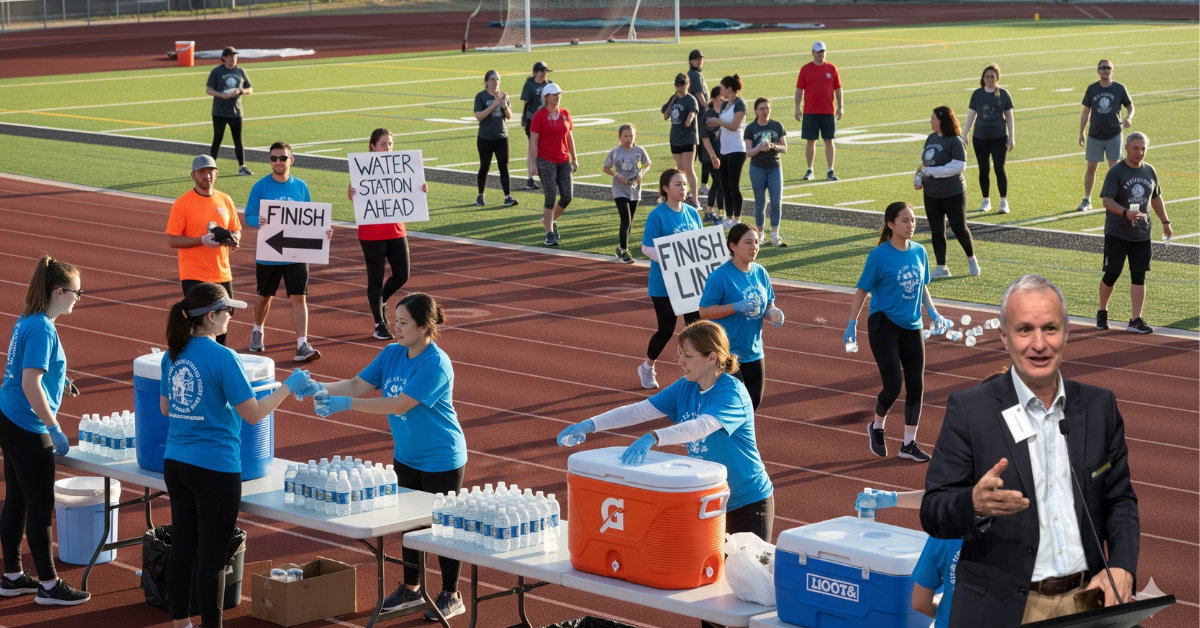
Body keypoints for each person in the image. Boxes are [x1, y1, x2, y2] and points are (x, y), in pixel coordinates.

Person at [921, 274, 1140, 626]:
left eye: (1050, 329)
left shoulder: (1100, 407)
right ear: (1005, 336)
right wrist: (972, 505)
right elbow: (933, 511)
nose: (1039, 344)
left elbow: (1120, 501)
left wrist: (1122, 566)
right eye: (1025, 330)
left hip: (1086, 602)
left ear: (1067, 333)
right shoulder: (969, 410)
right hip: (1004, 609)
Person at [160, 282, 316, 628]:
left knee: (184, 547)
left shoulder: (173, 353)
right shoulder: (224, 357)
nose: (231, 317)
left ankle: (180, 624)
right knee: (212, 558)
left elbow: (166, 407)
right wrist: (287, 386)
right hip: (214, 468)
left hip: (176, 463)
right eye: (228, 311)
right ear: (211, 316)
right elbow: (255, 414)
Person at [311, 293, 468, 621]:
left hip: (441, 457)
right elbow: (356, 384)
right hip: (407, 455)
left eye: (402, 323)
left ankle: (452, 594)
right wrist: (318, 387)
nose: (394, 327)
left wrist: (347, 405)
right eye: (394, 320)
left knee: (441, 526)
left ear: (425, 327)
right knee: (409, 526)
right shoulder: (391, 353)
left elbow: (399, 404)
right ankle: (412, 589)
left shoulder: (435, 363)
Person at [557, 320, 774, 544]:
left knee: (748, 576)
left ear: (712, 357)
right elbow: (638, 411)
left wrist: (654, 437)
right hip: (710, 500)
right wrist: (591, 424)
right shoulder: (686, 386)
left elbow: (701, 426)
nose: (680, 361)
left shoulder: (732, 393)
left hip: (747, 503)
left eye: (688, 356)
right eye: (680, 354)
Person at [0, 256, 89, 606]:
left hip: (8, 417)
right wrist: (53, 427)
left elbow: (31, 368)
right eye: (77, 293)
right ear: (58, 291)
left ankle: (12, 577)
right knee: (39, 504)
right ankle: (50, 586)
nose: (78, 298)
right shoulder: (43, 327)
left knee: (18, 500)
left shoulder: (30, 318)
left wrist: (60, 379)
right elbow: (29, 382)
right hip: (27, 424)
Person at [845, 202, 948, 463]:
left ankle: (908, 444)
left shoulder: (920, 251)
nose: (911, 225)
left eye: (913, 220)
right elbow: (861, 291)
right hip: (884, 324)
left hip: (912, 326)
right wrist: (851, 324)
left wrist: (933, 313)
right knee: (893, 385)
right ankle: (877, 426)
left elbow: (923, 286)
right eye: (905, 220)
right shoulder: (879, 256)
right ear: (891, 224)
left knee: (916, 387)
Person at [245, 141, 329, 362]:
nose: (278, 162)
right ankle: (257, 330)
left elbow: (310, 218)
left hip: (296, 253)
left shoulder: (301, 186)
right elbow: (249, 216)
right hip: (269, 253)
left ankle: (302, 344)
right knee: (265, 296)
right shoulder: (260, 187)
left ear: (291, 160)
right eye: (274, 158)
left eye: (282, 158)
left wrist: (322, 233)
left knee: (298, 297)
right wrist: (258, 220)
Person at [346, 128, 428, 341]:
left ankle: (381, 300)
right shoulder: (363, 167)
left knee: (403, 274)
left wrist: (420, 189)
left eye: (390, 144)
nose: (388, 148)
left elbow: (409, 189)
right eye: (383, 144)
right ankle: (379, 323)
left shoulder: (401, 165)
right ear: (373, 146)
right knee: (375, 278)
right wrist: (352, 193)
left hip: (396, 229)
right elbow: (357, 195)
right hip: (372, 232)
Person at [699, 223, 785, 410]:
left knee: (753, 404)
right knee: (735, 406)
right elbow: (704, 311)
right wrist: (735, 307)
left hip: (754, 351)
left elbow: (768, 302)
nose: (754, 247)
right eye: (748, 242)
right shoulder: (720, 277)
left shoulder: (760, 272)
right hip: (727, 353)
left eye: (756, 242)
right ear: (733, 246)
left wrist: (772, 313)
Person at [1097, 132, 1171, 334]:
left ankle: (1135, 319)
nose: (1139, 152)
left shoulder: (1150, 171)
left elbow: (1156, 198)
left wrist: (1165, 221)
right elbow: (1106, 200)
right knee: (1112, 273)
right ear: (1126, 148)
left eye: (1143, 148)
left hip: (1142, 233)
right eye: (1136, 148)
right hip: (1117, 232)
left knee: (1139, 276)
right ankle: (1102, 311)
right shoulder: (1116, 172)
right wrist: (1125, 212)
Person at [166, 154, 241, 347]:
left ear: (216, 173)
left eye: (210, 171)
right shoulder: (182, 204)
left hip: (222, 273)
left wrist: (234, 240)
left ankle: (220, 364)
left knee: (223, 322)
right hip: (195, 274)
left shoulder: (225, 200)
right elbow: (172, 240)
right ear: (193, 175)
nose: (206, 175)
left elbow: (236, 228)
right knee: (200, 326)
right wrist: (201, 240)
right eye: (201, 172)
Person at [638, 168, 703, 389]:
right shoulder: (657, 215)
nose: (683, 188)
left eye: (684, 184)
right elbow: (646, 248)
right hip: (664, 284)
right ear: (665, 188)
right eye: (677, 184)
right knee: (666, 329)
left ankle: (697, 372)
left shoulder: (692, 213)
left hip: (690, 282)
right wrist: (672, 260)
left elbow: (700, 246)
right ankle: (647, 367)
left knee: (695, 328)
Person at [916, 106, 979, 279]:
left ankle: (971, 258)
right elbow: (926, 163)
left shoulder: (954, 140)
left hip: (953, 193)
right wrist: (920, 177)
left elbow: (959, 166)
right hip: (932, 194)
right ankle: (942, 267)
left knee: (959, 228)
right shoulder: (931, 138)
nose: (930, 120)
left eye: (933, 118)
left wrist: (932, 172)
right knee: (937, 230)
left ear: (942, 120)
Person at [1078, 60, 1134, 212]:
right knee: (1091, 167)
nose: (1105, 70)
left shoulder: (1119, 88)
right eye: (1102, 68)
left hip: (1114, 133)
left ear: (1112, 71)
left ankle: (1117, 199)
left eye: (1108, 68)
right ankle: (1087, 199)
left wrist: (1129, 117)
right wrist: (1082, 132)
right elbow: (1086, 112)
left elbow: (1130, 106)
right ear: (1098, 71)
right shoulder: (1092, 89)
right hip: (1095, 134)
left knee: (1114, 168)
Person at [529, 83, 577, 247]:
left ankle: (550, 221)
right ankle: (549, 233)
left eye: (559, 94)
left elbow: (569, 136)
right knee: (550, 196)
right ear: (546, 97)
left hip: (563, 160)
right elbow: (533, 141)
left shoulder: (565, 113)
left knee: (567, 196)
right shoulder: (539, 116)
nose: (558, 96)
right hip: (545, 160)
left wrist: (574, 158)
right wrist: (533, 163)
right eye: (554, 94)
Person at [963, 63, 1015, 214]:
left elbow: (1009, 116)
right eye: (987, 76)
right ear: (983, 78)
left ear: (997, 78)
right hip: (980, 137)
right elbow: (971, 115)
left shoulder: (1003, 94)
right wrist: (965, 133)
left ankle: (1003, 201)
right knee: (984, 169)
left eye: (992, 76)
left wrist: (1011, 136)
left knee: (999, 167)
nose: (990, 79)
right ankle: (986, 200)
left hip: (999, 136)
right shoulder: (977, 94)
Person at [793, 41, 843, 182]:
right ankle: (810, 170)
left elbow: (838, 89)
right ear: (813, 53)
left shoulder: (832, 68)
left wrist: (841, 106)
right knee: (810, 141)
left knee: (829, 140)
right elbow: (799, 90)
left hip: (828, 111)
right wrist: (797, 108)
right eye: (818, 51)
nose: (821, 54)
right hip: (810, 111)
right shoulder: (805, 69)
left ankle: (830, 170)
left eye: (823, 51)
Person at [602, 124, 651, 264]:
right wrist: (616, 175)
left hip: (634, 189)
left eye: (631, 136)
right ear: (619, 137)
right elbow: (606, 167)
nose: (628, 139)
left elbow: (644, 164)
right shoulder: (616, 152)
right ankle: (624, 251)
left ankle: (619, 247)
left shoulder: (639, 151)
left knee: (630, 222)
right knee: (626, 219)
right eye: (625, 136)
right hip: (619, 189)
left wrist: (641, 172)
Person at [743, 97, 788, 246]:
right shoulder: (751, 128)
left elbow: (784, 148)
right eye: (761, 108)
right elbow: (748, 152)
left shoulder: (777, 125)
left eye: (767, 108)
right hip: (757, 168)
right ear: (755, 110)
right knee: (760, 203)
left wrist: (773, 146)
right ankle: (760, 234)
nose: (765, 111)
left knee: (776, 202)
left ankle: (775, 234)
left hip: (774, 167)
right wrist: (759, 148)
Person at [706, 74, 748, 229]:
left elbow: (735, 126)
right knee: (725, 186)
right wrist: (716, 128)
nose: (721, 91)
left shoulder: (740, 104)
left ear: (730, 89)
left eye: (722, 88)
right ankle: (728, 217)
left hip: (736, 149)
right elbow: (725, 125)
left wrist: (717, 121)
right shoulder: (725, 105)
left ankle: (737, 218)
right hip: (724, 149)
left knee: (734, 185)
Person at [205, 47, 253, 176]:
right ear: (224, 57)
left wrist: (240, 91)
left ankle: (242, 167)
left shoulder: (241, 71)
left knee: (238, 140)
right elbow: (209, 89)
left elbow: (250, 89)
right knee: (217, 139)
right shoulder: (217, 71)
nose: (234, 58)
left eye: (235, 56)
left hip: (236, 112)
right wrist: (221, 95)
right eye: (231, 56)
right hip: (219, 112)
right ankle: (211, 166)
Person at [474, 70, 518, 208]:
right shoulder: (481, 96)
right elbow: (479, 116)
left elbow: (509, 116)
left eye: (497, 79)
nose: (495, 81)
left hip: (501, 137)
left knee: (504, 167)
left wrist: (503, 104)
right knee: (485, 166)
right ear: (486, 82)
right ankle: (480, 195)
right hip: (485, 137)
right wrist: (493, 105)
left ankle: (507, 197)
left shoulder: (504, 95)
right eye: (492, 79)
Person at [662, 73, 700, 205]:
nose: (680, 88)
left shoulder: (691, 99)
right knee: (680, 170)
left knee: (689, 169)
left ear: (688, 85)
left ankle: (695, 199)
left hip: (688, 139)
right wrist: (671, 103)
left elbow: (692, 113)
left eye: (683, 85)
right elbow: (666, 116)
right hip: (675, 139)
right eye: (678, 85)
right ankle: (684, 194)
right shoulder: (674, 98)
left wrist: (689, 120)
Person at [520, 61, 554, 191]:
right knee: (532, 148)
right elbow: (526, 104)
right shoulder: (529, 84)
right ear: (535, 73)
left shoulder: (550, 84)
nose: (545, 74)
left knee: (547, 147)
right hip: (533, 120)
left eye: (546, 71)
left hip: (548, 120)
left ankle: (548, 175)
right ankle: (530, 178)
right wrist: (524, 120)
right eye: (542, 71)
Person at [699, 85, 725, 225]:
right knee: (720, 184)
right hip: (711, 156)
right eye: (721, 97)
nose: (724, 99)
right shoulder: (708, 115)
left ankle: (709, 212)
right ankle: (721, 215)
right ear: (714, 99)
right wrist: (713, 156)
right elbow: (705, 138)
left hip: (724, 155)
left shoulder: (727, 114)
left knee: (716, 184)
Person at [687, 49, 711, 197]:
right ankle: (702, 185)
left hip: (698, 119)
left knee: (696, 155)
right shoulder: (695, 75)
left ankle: (697, 185)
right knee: (704, 154)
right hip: (700, 119)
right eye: (696, 59)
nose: (699, 60)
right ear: (691, 61)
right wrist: (708, 109)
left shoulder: (695, 74)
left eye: (701, 58)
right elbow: (699, 95)